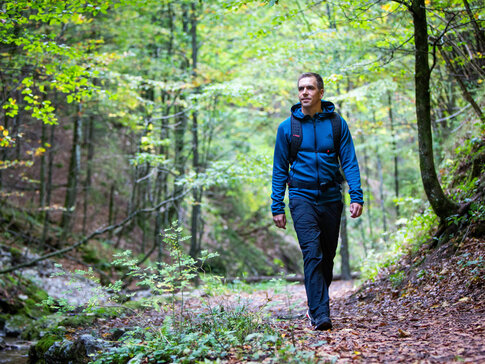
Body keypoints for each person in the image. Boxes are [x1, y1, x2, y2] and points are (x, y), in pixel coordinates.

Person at [271, 72, 363, 330]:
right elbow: (279, 169)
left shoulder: (337, 124)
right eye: (301, 88)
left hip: (331, 197)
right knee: (312, 253)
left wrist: (357, 195)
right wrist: (276, 205)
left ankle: (318, 303)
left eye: (310, 88)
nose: (304, 92)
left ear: (320, 92)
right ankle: (320, 313)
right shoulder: (287, 127)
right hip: (301, 197)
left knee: (328, 257)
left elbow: (349, 162)